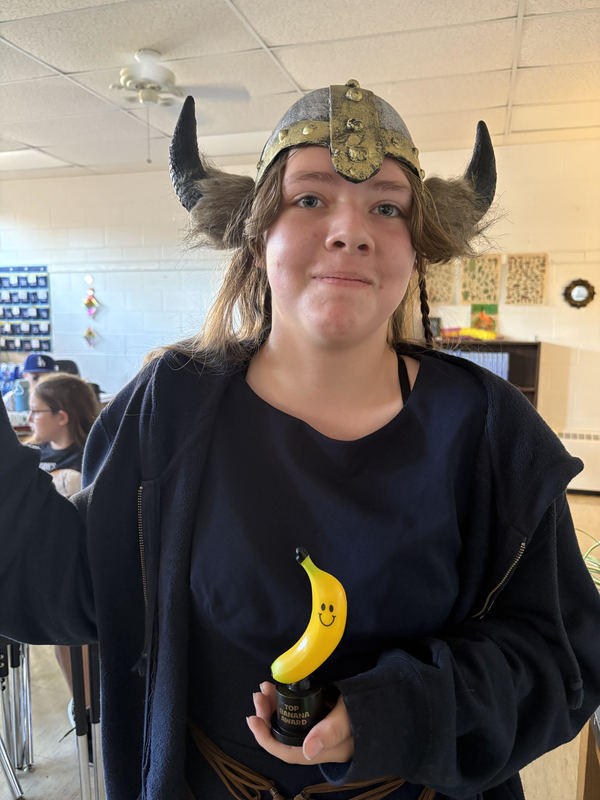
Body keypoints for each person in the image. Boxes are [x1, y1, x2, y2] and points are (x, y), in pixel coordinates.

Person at [1, 79, 599, 800]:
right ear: (257, 236)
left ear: (416, 249)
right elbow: (74, 593)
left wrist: (392, 713)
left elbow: (563, 660)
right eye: (309, 198)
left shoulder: (489, 428)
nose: (351, 230)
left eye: (387, 206)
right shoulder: (173, 407)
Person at [26, 372, 100, 710]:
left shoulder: (93, 458)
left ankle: (87, 707)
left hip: (79, 569)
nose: (28, 419)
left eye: (35, 411)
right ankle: (79, 703)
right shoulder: (29, 457)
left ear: (62, 416)